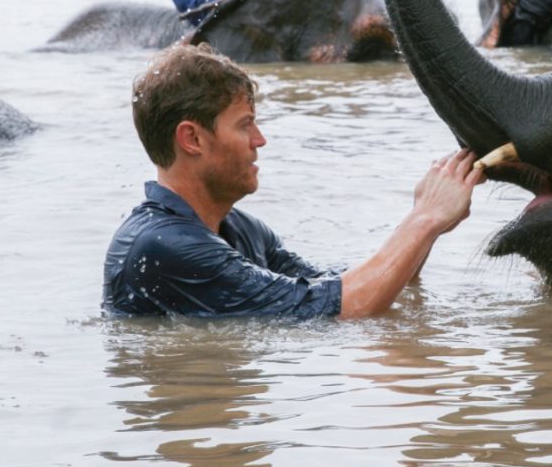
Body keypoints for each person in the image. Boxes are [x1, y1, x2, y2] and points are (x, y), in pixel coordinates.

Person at [104, 44, 485, 319]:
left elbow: (337, 285)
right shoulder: (164, 246)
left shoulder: (240, 229)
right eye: (244, 125)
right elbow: (344, 309)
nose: (260, 140)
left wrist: (427, 222)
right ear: (192, 139)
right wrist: (424, 220)